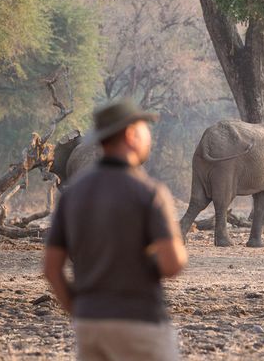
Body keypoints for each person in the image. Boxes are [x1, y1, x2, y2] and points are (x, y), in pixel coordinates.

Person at [43, 99, 188, 361]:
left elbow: (51, 268)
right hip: (139, 319)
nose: (148, 137)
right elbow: (173, 263)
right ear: (131, 134)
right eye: (145, 129)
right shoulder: (149, 193)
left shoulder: (72, 194)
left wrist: (76, 309)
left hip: (89, 323)